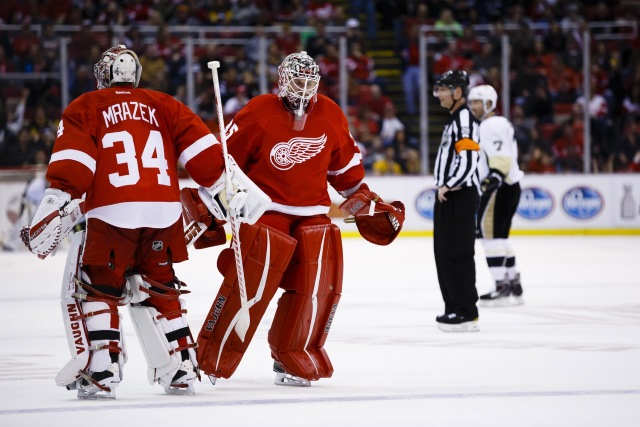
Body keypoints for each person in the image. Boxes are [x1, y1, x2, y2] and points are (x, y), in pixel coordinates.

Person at [23, 45, 252, 399]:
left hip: (113, 211)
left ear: (104, 75)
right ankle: (182, 366)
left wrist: (57, 203)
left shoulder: (86, 106)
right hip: (164, 211)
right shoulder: (166, 103)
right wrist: (225, 188)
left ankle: (102, 368)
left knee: (99, 286)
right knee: (160, 286)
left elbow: (74, 167)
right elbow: (206, 159)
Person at [185, 51, 405, 387]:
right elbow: (223, 162)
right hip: (265, 211)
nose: (303, 88)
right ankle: (213, 353)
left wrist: (362, 200)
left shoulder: (330, 113)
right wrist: (211, 201)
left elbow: (345, 170)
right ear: (283, 80)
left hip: (313, 213)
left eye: (309, 81)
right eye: (297, 80)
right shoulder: (257, 110)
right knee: (252, 289)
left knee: (315, 289)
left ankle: (290, 353)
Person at [432, 70, 481, 332]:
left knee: (457, 254)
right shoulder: (454, 120)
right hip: (449, 195)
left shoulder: (465, 121)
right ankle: (453, 307)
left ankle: (466, 311)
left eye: (443, 89)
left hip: (458, 195)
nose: (438, 94)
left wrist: (450, 185)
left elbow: (470, 160)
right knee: (444, 254)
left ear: (458, 92)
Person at [468, 85, 525, 306]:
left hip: (498, 187)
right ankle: (513, 285)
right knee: (501, 238)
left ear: (489, 103)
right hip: (510, 186)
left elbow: (501, 159)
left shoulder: (490, 125)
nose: (473, 106)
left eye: (477, 102)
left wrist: (491, 180)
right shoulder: (499, 123)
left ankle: (501, 286)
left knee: (489, 237)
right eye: (471, 102)